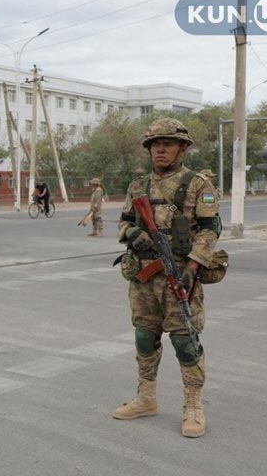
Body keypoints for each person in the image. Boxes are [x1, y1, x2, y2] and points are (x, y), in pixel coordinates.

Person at [113, 118, 220, 438]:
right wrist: (133, 233)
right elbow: (123, 223)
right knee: (144, 337)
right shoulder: (137, 186)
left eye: (168, 143)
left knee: (185, 341)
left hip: (180, 276)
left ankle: (193, 406)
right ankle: (146, 399)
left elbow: (210, 230)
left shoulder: (199, 185)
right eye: (155, 144)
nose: (160, 149)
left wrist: (191, 268)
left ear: (183, 149)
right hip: (143, 277)